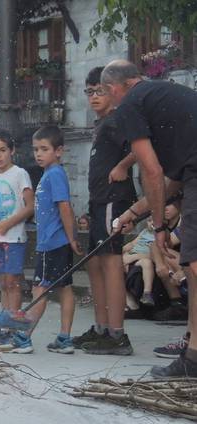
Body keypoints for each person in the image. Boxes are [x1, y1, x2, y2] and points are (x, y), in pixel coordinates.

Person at [104, 59, 197, 376]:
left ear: (116, 88)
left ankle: (194, 359)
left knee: (195, 265)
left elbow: (152, 173)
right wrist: (135, 213)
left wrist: (158, 226)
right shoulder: (165, 95)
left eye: (107, 94)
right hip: (192, 175)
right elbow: (172, 181)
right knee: (193, 266)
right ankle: (193, 354)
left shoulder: (130, 102)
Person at [71, 66, 137, 356]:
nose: (94, 96)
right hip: (99, 202)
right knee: (94, 264)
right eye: (89, 92)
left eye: (99, 90)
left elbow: (143, 147)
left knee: (111, 262)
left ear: (112, 91)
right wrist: (89, 207)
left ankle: (117, 335)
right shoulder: (101, 125)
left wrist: (123, 166)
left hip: (115, 200)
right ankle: (101, 329)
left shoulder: (118, 119)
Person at [9, 126, 82, 354]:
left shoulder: (55, 174)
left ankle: (25, 337)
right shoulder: (49, 174)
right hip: (53, 242)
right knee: (64, 288)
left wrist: (71, 238)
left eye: (44, 149)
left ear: (59, 151)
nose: (38, 154)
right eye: (35, 149)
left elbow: (65, 207)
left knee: (39, 289)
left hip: (52, 244)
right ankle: (64, 338)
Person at [0, 132, 34, 347]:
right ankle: (2, 328)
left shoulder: (20, 174)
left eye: (2, 150)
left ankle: (14, 327)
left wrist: (7, 224)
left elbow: (30, 206)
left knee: (13, 282)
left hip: (14, 237)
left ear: (12, 151)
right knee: (2, 282)